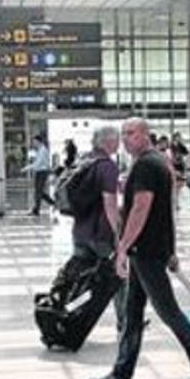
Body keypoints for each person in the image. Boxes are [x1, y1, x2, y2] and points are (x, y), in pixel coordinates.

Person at [89, 118, 190, 379]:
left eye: (131, 133)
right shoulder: (158, 162)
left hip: (146, 251)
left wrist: (123, 246)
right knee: (133, 313)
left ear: (145, 135)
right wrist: (169, 249)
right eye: (123, 133)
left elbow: (141, 208)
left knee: (168, 311)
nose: (126, 138)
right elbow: (166, 211)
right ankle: (122, 373)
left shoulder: (147, 165)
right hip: (150, 249)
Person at [70, 126, 126, 329]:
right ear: (107, 143)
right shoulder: (107, 166)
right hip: (101, 233)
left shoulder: (84, 161)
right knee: (119, 274)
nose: (119, 144)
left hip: (80, 230)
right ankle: (125, 319)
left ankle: (70, 315)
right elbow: (110, 205)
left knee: (78, 277)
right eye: (117, 140)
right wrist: (118, 234)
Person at [24, 135, 53, 216]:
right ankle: (53, 203)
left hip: (42, 172)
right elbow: (37, 163)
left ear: (38, 141)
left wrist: (28, 168)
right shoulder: (40, 150)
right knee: (39, 191)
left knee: (38, 191)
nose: (33, 143)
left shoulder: (43, 150)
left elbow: (38, 163)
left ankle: (36, 210)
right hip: (39, 172)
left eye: (34, 141)